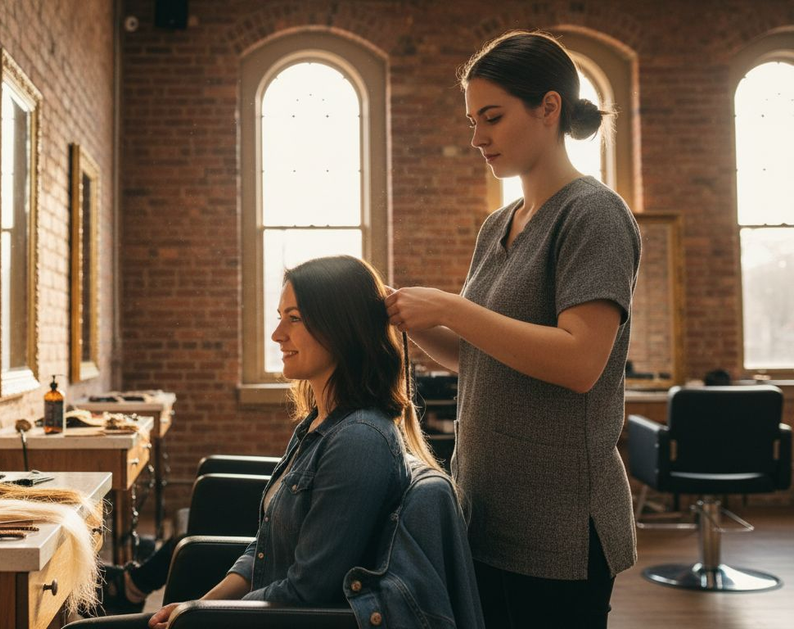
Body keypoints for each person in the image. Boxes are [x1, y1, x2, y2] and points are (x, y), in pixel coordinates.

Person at [385, 31, 640, 629]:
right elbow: (474, 355)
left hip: (560, 531)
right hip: (489, 514)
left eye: (492, 118)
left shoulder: (593, 214)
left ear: (548, 108)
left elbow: (580, 363)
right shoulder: (497, 225)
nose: (478, 139)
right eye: (473, 121)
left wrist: (451, 306)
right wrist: (401, 313)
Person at [76, 255, 454, 629]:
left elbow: (308, 591)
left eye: (294, 319)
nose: (277, 335)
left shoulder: (359, 441)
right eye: (280, 317)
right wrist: (200, 604)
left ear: (340, 329)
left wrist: (204, 617)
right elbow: (265, 546)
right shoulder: (319, 423)